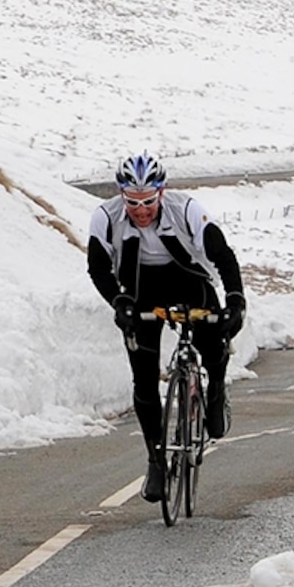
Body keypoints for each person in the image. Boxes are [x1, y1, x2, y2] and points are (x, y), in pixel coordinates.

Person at [84, 154, 246, 503]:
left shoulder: (185, 209)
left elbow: (222, 254)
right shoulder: (105, 217)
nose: (141, 210)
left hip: (188, 281)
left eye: (147, 201)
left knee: (214, 337)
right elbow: (98, 268)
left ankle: (215, 387)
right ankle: (156, 460)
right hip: (140, 290)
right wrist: (118, 301)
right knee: (143, 377)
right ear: (121, 196)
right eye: (132, 202)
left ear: (162, 192)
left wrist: (235, 300)